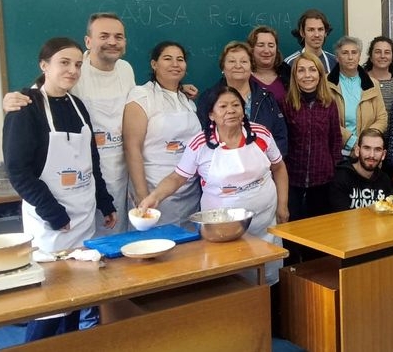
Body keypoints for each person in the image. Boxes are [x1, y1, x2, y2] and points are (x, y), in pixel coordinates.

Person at [3, 37, 117, 342]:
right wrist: (53, 213)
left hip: (82, 216)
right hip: (49, 223)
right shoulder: (26, 107)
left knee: (75, 300)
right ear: (44, 65)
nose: (72, 70)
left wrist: (105, 202)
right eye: (64, 63)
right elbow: (18, 171)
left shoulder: (77, 106)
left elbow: (91, 161)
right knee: (49, 307)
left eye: (78, 64)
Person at [138, 85, 288, 285]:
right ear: (211, 114)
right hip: (223, 229)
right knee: (232, 280)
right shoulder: (200, 143)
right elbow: (177, 177)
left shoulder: (260, 134)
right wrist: (154, 197)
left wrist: (282, 206)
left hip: (265, 220)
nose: (231, 111)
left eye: (236, 105)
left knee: (268, 275)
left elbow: (279, 167)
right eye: (223, 106)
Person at [123, 41, 201, 228]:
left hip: (191, 192)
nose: (175, 64)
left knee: (190, 243)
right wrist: (142, 195)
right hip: (154, 191)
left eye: (180, 59)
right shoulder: (141, 96)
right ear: (154, 64)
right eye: (167, 59)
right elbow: (132, 148)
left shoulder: (187, 101)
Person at [196, 40, 288, 155]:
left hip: (263, 163)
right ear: (223, 67)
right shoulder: (208, 98)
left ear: (251, 67)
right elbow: (203, 136)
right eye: (232, 61)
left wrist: (267, 161)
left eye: (244, 61)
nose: (238, 66)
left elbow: (280, 136)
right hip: (221, 163)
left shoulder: (266, 98)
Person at [280, 52, 342, 220]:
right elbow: (282, 141)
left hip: (323, 179)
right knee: (294, 227)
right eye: (301, 70)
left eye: (312, 70)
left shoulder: (329, 103)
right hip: (293, 178)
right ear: (294, 75)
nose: (307, 75)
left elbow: (335, 139)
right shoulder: (286, 103)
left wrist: (334, 168)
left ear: (320, 74)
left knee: (319, 227)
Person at [327, 36, 388, 156]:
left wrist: (366, 141)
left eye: (354, 53)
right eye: (345, 53)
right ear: (337, 58)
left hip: (367, 153)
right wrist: (352, 141)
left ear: (359, 56)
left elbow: (382, 118)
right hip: (337, 152)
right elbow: (325, 120)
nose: (350, 57)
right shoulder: (326, 83)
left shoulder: (373, 84)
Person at [329, 129, 393, 211]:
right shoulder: (341, 177)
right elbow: (339, 216)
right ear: (357, 151)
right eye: (367, 148)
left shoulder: (385, 180)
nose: (372, 155)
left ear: (383, 154)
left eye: (377, 149)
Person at [248, 25, 291, 105]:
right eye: (261, 45)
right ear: (251, 48)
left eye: (271, 45)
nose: (266, 51)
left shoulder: (288, 74)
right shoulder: (242, 76)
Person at [364, 36, 393, 114]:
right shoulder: (359, 80)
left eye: (387, 52)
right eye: (378, 52)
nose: (382, 56)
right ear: (371, 57)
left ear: (392, 57)